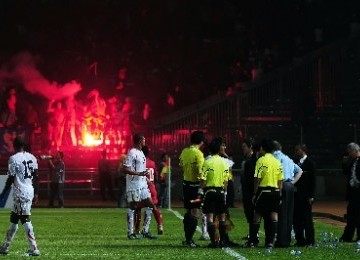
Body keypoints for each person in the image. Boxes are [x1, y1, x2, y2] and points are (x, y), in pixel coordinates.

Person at [0, 137, 40, 256]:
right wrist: (36, 193)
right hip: (29, 190)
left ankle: (34, 248)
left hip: (20, 191)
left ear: (14, 145)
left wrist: (3, 194)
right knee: (14, 219)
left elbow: (11, 178)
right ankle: (5, 246)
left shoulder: (13, 158)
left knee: (24, 219)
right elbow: (36, 177)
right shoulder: (32, 157)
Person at [245, 138, 283, 248]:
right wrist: (279, 193)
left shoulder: (261, 161)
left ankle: (252, 241)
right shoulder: (277, 161)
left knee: (257, 216)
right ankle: (270, 242)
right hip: (275, 191)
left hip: (263, 191)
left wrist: (254, 194)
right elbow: (280, 180)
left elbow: (257, 179)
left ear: (263, 148)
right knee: (274, 216)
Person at [122, 133, 157, 239]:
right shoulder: (132, 153)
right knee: (132, 208)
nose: (145, 141)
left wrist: (146, 178)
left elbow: (140, 169)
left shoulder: (141, 152)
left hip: (142, 184)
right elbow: (125, 168)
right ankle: (130, 233)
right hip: (133, 185)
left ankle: (145, 231)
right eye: (144, 139)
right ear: (140, 140)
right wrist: (139, 174)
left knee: (151, 206)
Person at [199, 138, 230, 248]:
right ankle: (222, 241)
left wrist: (200, 191)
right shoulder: (225, 162)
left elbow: (203, 179)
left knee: (210, 217)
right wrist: (225, 192)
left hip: (210, 191)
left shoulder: (207, 162)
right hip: (221, 191)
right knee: (222, 217)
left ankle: (214, 242)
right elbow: (226, 180)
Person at [273, 140, 302, 248]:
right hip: (290, 186)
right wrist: (292, 182)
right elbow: (300, 171)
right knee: (289, 214)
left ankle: (280, 241)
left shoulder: (274, 158)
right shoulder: (287, 158)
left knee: (280, 213)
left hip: (281, 185)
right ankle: (287, 240)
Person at [179, 130, 205, 248]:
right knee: (195, 211)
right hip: (195, 188)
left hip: (186, 186)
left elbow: (181, 166)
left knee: (188, 211)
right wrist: (201, 189)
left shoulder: (184, 151)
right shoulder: (199, 154)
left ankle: (187, 238)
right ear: (201, 141)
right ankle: (189, 240)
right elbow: (201, 173)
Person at [134, 146, 164, 235]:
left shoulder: (139, 163)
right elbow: (156, 176)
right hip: (151, 188)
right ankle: (160, 225)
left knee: (138, 208)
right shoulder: (152, 163)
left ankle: (137, 229)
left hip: (141, 189)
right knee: (154, 207)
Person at [293, 144, 316, 246]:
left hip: (306, 196)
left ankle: (310, 240)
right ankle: (300, 240)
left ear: (303, 150)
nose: (296, 151)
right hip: (296, 195)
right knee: (297, 219)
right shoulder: (295, 162)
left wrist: (311, 196)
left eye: (297, 150)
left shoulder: (310, 163)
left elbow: (313, 181)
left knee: (307, 219)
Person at [340, 142, 360, 242]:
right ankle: (347, 236)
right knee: (351, 215)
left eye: (350, 153)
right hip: (353, 193)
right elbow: (346, 172)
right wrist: (344, 163)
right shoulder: (352, 162)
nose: (349, 155)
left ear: (355, 151)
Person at [240, 138, 258, 240]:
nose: (243, 149)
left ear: (250, 147)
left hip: (251, 190)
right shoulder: (246, 159)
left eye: (244, 147)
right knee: (248, 212)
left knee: (252, 212)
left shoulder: (253, 160)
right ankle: (251, 233)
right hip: (246, 190)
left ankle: (254, 235)